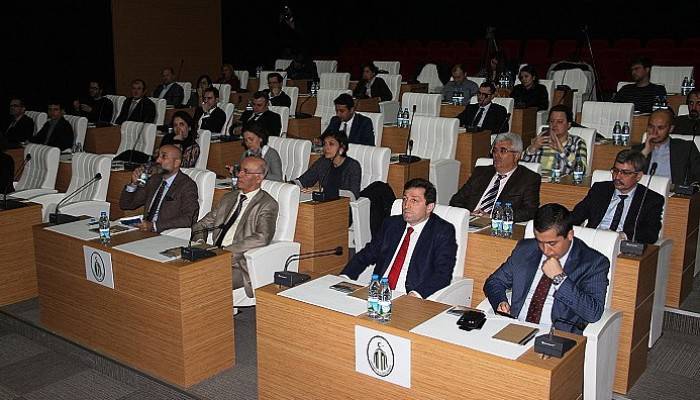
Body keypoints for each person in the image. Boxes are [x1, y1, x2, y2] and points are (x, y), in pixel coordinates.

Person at [484, 203, 610, 334]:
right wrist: (501, 301)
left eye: (552, 243)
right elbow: (494, 282)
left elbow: (593, 313)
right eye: (540, 241)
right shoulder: (526, 249)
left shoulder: (593, 262)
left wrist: (559, 278)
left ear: (570, 235)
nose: (545, 250)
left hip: (557, 336)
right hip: (517, 328)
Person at [340, 178, 457, 298]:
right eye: (405, 199)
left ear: (429, 207)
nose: (406, 205)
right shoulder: (391, 224)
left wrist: (416, 294)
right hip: (378, 292)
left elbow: (443, 274)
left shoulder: (442, 231)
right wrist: (345, 277)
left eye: (414, 200)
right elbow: (367, 254)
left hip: (409, 295)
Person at [191, 156, 278, 298]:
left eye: (245, 172)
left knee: (200, 282)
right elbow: (201, 224)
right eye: (239, 170)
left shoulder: (267, 204)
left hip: (238, 263)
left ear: (259, 178)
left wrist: (226, 252)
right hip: (213, 255)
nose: (239, 175)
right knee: (176, 272)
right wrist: (200, 244)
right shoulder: (228, 198)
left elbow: (263, 237)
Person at [570, 149, 664, 244]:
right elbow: (577, 215)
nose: (617, 177)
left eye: (625, 173)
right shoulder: (600, 189)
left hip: (621, 244)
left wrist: (622, 236)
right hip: (592, 241)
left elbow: (651, 233)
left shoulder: (651, 199)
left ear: (638, 176)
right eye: (615, 171)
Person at [449, 133, 540, 222]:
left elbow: (530, 211)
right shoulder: (480, 172)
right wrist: (469, 214)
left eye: (503, 151)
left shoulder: (529, 179)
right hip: (470, 220)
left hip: (498, 225)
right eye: (495, 150)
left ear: (517, 155)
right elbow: (456, 200)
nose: (496, 155)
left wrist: (494, 217)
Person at [119, 144, 199, 233]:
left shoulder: (187, 185)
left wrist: (154, 226)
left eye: (163, 157)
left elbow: (189, 218)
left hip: (165, 232)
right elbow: (126, 205)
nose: (158, 160)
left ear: (176, 163)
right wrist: (133, 184)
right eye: (158, 156)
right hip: (144, 229)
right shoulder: (154, 180)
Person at [632, 108, 700, 185]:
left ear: (671, 129)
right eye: (651, 127)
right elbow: (627, 175)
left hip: (673, 192)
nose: (654, 132)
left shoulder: (686, 148)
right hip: (644, 191)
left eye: (660, 128)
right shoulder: (638, 151)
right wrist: (644, 153)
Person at [522, 104, 587, 176]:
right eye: (552, 121)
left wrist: (562, 151)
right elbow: (520, 167)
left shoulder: (577, 142)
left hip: (561, 182)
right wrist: (532, 148)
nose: (554, 125)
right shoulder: (540, 141)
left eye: (559, 121)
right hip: (536, 180)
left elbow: (582, 170)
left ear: (569, 125)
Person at [294, 130, 361, 199]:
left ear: (342, 148)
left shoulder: (353, 166)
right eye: (325, 144)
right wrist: (290, 185)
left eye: (331, 144)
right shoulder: (323, 162)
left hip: (343, 204)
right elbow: (303, 181)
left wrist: (323, 190)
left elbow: (353, 195)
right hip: (324, 202)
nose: (326, 147)